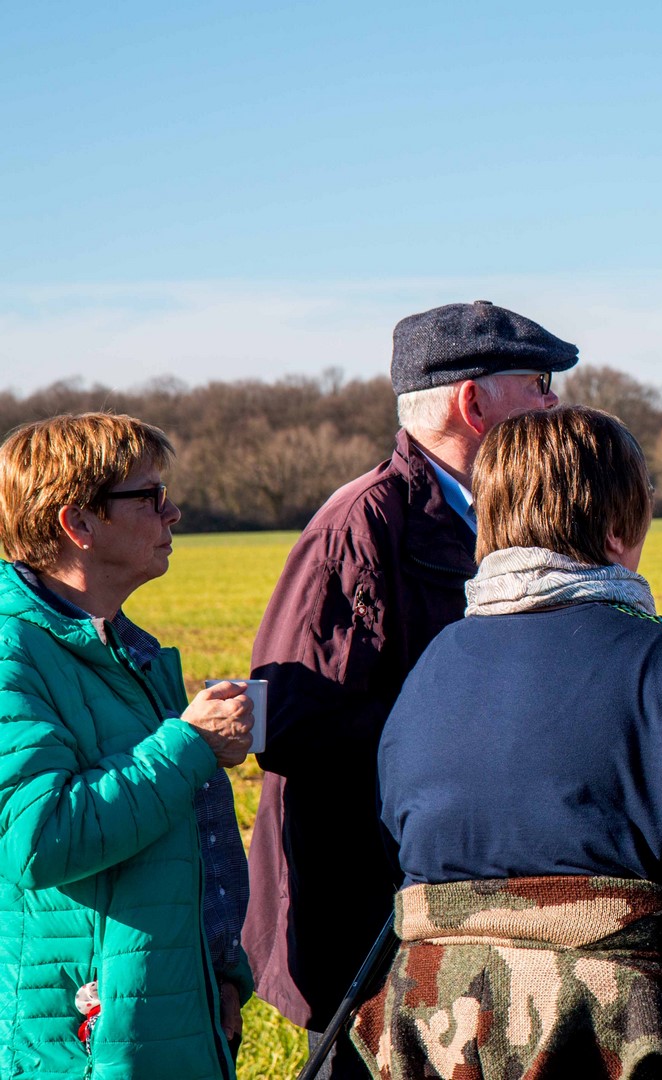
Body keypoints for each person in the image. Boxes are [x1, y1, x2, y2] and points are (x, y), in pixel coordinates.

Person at [359, 405, 662, 1078]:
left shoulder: (432, 664)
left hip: (436, 1034)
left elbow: (398, 836)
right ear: (616, 526)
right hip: (620, 1035)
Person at [242, 300, 576, 1078]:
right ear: (473, 403)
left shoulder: (504, 518)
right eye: (538, 383)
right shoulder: (359, 527)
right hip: (368, 916)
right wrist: (460, 728)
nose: (555, 403)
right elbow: (290, 720)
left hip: (458, 901)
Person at [0, 412, 254, 1078]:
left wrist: (219, 969)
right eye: (148, 497)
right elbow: (39, 838)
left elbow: (176, 835)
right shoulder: (11, 653)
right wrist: (189, 742)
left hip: (161, 1022)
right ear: (77, 523)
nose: (172, 513)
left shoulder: (121, 649)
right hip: (84, 1046)